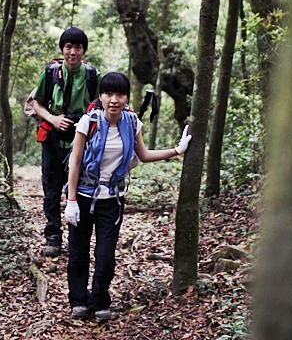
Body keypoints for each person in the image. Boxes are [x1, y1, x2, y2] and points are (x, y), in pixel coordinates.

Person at [64, 72, 192, 321]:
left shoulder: (132, 122)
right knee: (78, 252)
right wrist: (70, 201)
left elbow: (143, 155)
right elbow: (75, 162)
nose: (114, 99)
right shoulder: (88, 122)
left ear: (126, 98)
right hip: (83, 196)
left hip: (112, 198)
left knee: (105, 255)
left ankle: (99, 302)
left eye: (120, 94)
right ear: (100, 96)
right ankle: (78, 301)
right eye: (108, 94)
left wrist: (177, 151)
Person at [29, 27, 102, 257]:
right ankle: (52, 236)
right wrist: (53, 118)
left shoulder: (93, 76)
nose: (72, 52)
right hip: (53, 142)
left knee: (79, 190)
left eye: (77, 47)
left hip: (82, 145)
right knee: (51, 191)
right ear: (62, 49)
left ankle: (76, 238)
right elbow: (36, 103)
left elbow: (102, 106)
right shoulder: (51, 73)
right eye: (68, 47)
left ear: (83, 50)